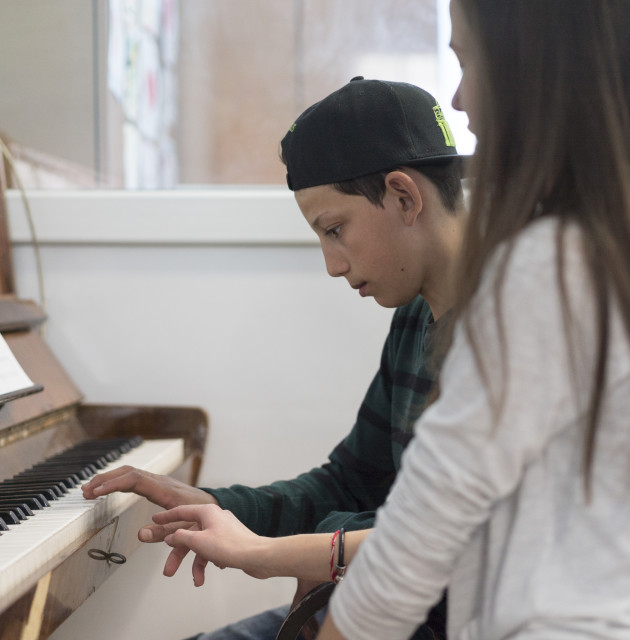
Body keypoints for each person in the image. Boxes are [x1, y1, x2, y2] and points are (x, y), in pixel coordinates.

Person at [82, 77, 466, 640]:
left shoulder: (513, 329)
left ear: (405, 197)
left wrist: (274, 553)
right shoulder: (415, 317)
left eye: (336, 230)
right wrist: (218, 505)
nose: (333, 265)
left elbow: (457, 539)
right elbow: (353, 481)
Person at [310, 1, 630, 639]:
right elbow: (359, 475)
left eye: (466, 60)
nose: (458, 101)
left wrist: (270, 555)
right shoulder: (607, 251)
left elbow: (420, 534)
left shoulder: (556, 266)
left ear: (532, 66)